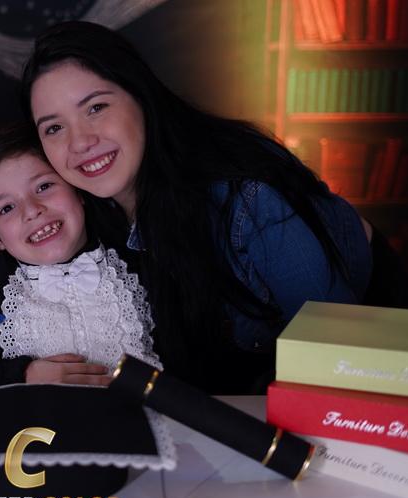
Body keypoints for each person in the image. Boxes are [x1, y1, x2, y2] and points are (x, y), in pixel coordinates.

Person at [20, 21, 374, 393]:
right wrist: (23, 372)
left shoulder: (245, 201)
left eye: (96, 107)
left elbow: (339, 358)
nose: (80, 142)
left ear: (141, 96)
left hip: (359, 352)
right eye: (54, 128)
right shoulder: (75, 213)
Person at [0, 123, 161, 394]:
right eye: (6, 208)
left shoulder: (145, 266)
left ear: (77, 191)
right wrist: (21, 375)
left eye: (44, 186)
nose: (32, 211)